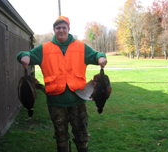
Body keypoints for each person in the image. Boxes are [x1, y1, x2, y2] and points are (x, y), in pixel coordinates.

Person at [17, 16, 107, 152]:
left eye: (64, 27)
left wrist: (101, 57)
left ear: (68, 29)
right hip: (56, 102)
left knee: (81, 134)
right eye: (58, 28)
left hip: (78, 100)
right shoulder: (44, 49)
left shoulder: (81, 46)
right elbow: (24, 54)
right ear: (54, 30)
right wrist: (24, 56)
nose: (61, 30)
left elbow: (96, 55)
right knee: (60, 135)